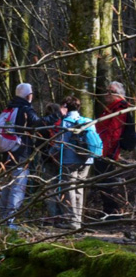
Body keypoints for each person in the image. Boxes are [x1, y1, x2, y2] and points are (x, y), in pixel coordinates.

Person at [0, 83, 62, 228]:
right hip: (21, 153)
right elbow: (38, 123)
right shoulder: (25, 109)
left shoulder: (10, 107)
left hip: (7, 152)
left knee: (7, 186)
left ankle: (1, 217)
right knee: (17, 187)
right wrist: (58, 115)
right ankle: (9, 221)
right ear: (28, 95)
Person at [50, 96, 93, 230]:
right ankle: (77, 220)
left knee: (69, 189)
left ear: (65, 107)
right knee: (79, 188)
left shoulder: (66, 122)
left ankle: (72, 221)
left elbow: (60, 144)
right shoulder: (88, 121)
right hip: (87, 160)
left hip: (70, 160)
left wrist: (50, 152)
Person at [95, 81, 130, 220]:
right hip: (103, 149)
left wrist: (105, 152)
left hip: (107, 152)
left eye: (111, 91)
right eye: (107, 90)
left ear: (118, 94)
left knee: (107, 181)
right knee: (103, 181)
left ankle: (112, 212)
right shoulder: (111, 108)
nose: (107, 94)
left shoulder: (120, 108)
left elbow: (114, 132)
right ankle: (108, 211)